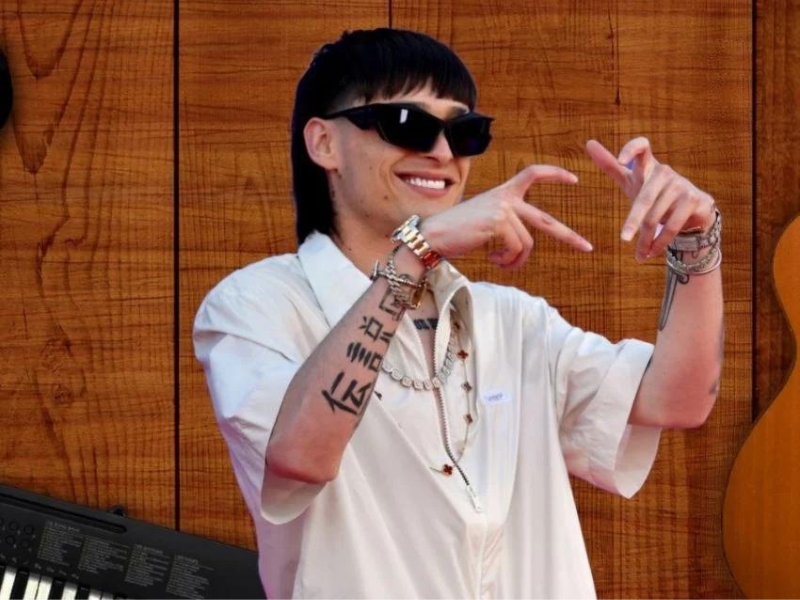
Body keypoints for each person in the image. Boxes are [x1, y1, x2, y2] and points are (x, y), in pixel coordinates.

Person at [192, 28, 724, 599]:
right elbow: (300, 458)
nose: (443, 153)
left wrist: (695, 240)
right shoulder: (254, 306)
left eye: (465, 131)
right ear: (324, 143)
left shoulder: (512, 320)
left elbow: (678, 400)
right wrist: (414, 254)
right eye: (407, 124)